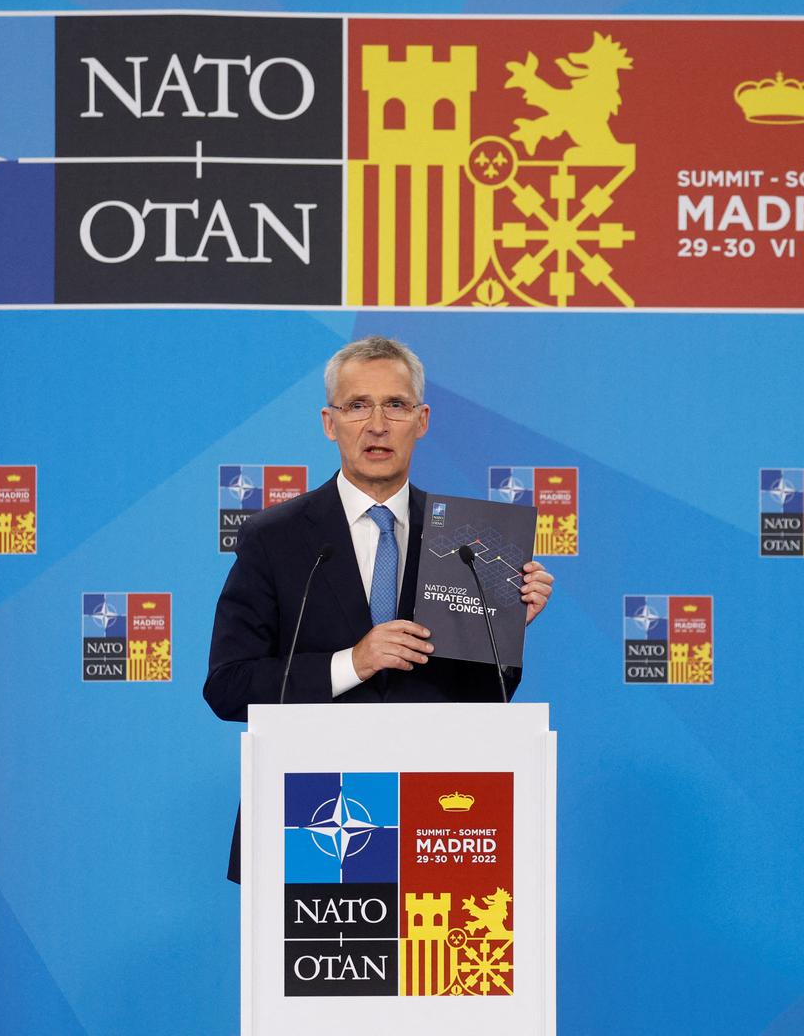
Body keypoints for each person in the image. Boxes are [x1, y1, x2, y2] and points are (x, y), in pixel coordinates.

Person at [204, 335, 555, 881]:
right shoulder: (273, 538)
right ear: (329, 422)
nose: (376, 425)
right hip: (308, 820)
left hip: (435, 823)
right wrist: (354, 662)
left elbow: (485, 702)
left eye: (395, 405)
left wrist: (503, 627)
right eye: (356, 406)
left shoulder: (467, 541)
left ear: (422, 420)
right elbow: (229, 688)